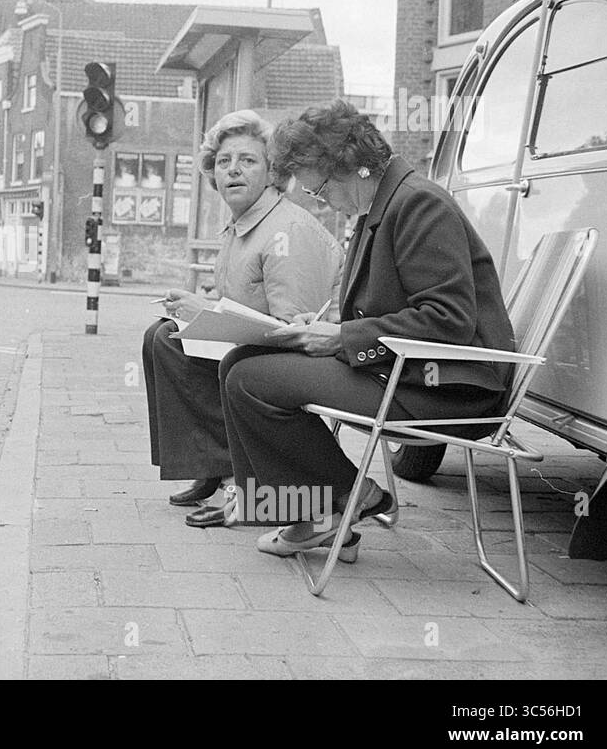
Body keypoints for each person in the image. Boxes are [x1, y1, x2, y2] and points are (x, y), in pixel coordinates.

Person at [218, 98, 515, 559]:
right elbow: (391, 305)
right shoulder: (386, 203)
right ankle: (321, 509)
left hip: (448, 387)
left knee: (251, 380)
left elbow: (449, 319)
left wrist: (342, 339)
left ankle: (336, 503)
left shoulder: (418, 205)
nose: (324, 203)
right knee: (240, 361)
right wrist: (327, 324)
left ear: (350, 167)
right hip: (408, 369)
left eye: (320, 191)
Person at [142, 110, 341, 526]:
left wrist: (208, 314)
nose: (232, 170)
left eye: (247, 160)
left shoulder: (287, 230)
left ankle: (240, 480)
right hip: (254, 348)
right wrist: (199, 310)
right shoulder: (244, 226)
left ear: (272, 172)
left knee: (174, 342)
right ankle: (213, 467)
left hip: (289, 361)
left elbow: (298, 331)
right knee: (162, 335)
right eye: (223, 162)